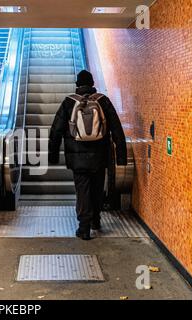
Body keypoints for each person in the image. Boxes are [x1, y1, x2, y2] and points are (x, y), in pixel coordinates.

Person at [49, 70, 127, 240]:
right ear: (92, 84)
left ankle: (84, 228)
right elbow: (117, 129)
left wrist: (52, 155)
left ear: (77, 85)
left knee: (82, 190)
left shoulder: (69, 103)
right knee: (98, 188)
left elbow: (56, 130)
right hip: (100, 156)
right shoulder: (103, 101)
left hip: (77, 159)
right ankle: (96, 220)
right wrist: (121, 157)